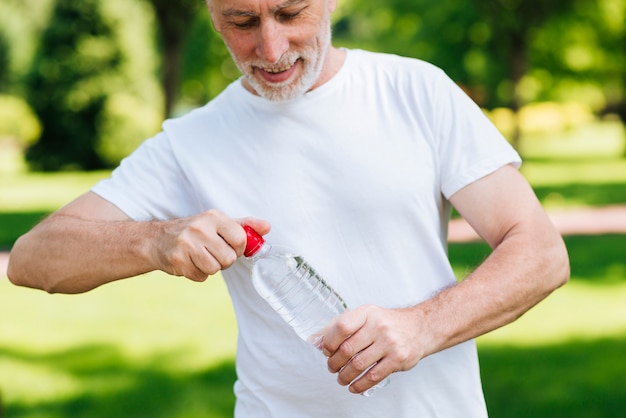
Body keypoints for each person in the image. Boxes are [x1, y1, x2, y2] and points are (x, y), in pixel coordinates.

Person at [8, 0, 570, 416]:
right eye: (242, 22)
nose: (270, 50)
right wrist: (153, 241)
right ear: (212, 14)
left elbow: (540, 252)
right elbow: (33, 260)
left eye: (289, 13)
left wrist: (422, 327)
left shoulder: (415, 91)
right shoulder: (191, 142)